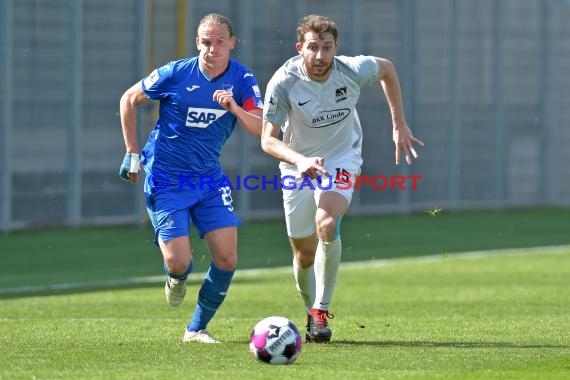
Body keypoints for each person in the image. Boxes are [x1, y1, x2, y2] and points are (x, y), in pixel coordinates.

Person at [261, 14, 424, 343]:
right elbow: (268, 140)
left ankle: (321, 311)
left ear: (336, 48)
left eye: (327, 48)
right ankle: (310, 312)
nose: (320, 56)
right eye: (313, 48)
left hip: (341, 158)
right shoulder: (284, 81)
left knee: (327, 225)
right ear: (300, 48)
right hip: (297, 165)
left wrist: (399, 124)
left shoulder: (351, 69)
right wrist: (300, 160)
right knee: (303, 254)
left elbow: (387, 69)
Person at [118, 13, 263, 343]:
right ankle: (176, 277)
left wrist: (234, 108)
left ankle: (196, 329)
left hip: (209, 179)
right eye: (206, 42)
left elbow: (260, 128)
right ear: (197, 42)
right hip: (167, 178)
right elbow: (129, 99)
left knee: (227, 257)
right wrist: (132, 152)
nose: (213, 49)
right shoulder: (175, 73)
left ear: (231, 43)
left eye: (220, 42)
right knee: (180, 262)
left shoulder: (243, 79)